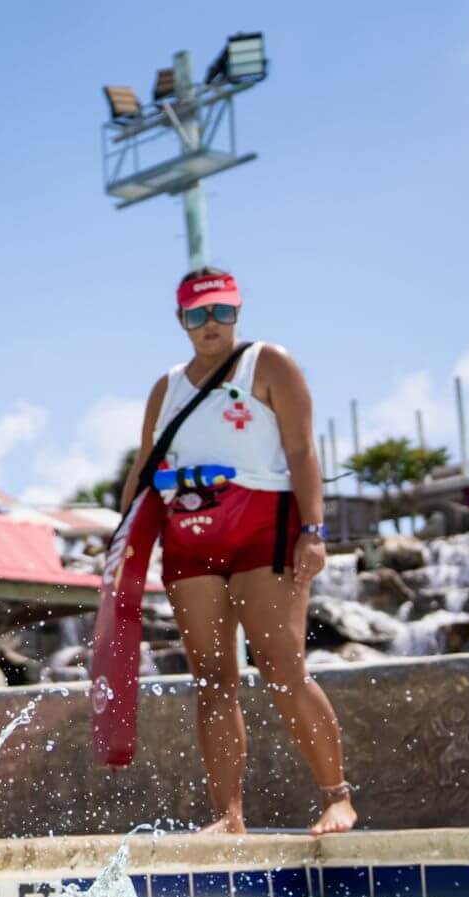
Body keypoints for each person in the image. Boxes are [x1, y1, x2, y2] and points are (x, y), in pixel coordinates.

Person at [117, 267, 357, 836]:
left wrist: (314, 531)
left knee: (282, 668)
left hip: (263, 527)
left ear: (238, 312)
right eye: (198, 314)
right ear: (181, 320)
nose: (211, 324)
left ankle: (337, 798)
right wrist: (120, 545)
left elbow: (302, 451)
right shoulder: (167, 386)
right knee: (213, 678)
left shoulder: (268, 363)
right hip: (188, 533)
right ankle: (228, 815)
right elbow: (144, 468)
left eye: (221, 311)